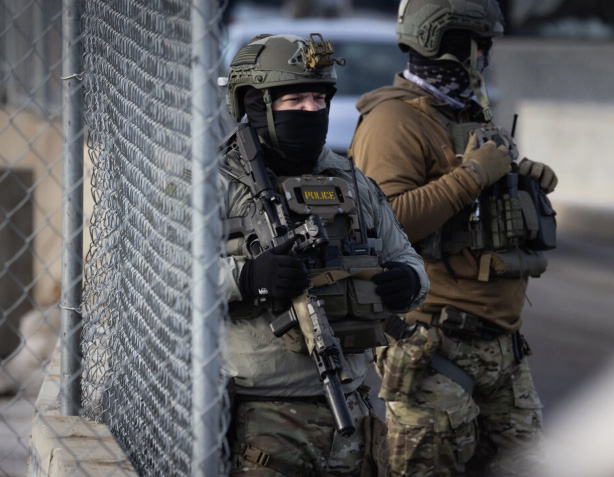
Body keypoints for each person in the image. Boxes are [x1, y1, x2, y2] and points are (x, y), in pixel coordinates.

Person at [350, 1, 558, 475]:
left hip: (502, 350)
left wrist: (520, 180)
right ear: (450, 43)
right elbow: (388, 224)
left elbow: (482, 211)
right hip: (435, 350)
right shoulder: (393, 122)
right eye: (479, 43)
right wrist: (472, 177)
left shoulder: (468, 114)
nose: (484, 55)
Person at [219, 33, 429, 477]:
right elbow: (162, 285)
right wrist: (245, 277)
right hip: (261, 417)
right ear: (255, 104)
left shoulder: (351, 180)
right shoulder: (214, 184)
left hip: (350, 413)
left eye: (320, 99)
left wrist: (407, 283)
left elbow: (408, 259)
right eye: (296, 101)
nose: (312, 112)